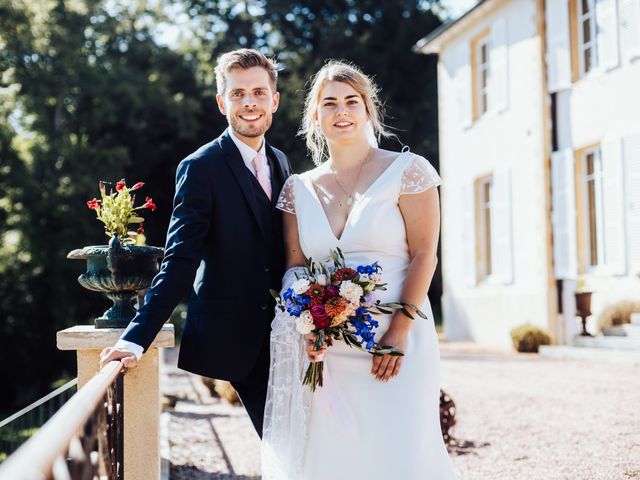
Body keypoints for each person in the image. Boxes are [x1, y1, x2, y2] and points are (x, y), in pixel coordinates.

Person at [262, 61, 457, 479]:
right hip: (328, 354)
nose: (341, 111)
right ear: (315, 116)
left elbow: (426, 254)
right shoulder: (298, 188)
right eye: (329, 103)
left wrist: (400, 331)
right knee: (333, 459)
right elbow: (295, 267)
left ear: (369, 110)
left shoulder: (409, 171)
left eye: (352, 101)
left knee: (401, 452)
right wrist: (307, 323)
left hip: (396, 342)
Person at [99, 48, 292, 437]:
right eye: (237, 94)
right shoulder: (200, 167)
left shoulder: (282, 162)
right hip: (238, 339)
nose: (249, 103)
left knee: (306, 445)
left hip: (290, 332)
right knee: (285, 445)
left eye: (258, 92)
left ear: (274, 99)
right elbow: (180, 262)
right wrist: (136, 338)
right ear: (222, 103)